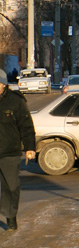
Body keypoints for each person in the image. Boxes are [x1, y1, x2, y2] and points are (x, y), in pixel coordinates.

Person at [0, 82, 36, 231]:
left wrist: (30, 148)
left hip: (9, 151)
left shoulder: (16, 101)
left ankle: (11, 217)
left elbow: (26, 126)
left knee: (11, 186)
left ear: (2, 84)